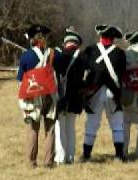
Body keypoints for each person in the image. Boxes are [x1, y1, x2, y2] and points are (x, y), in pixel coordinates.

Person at [79, 24, 127, 161]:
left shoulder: (90, 50)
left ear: (100, 36)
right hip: (114, 93)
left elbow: (83, 69)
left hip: (94, 93)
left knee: (91, 124)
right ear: (113, 38)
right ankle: (119, 155)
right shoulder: (120, 53)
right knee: (117, 125)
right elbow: (123, 74)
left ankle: (86, 155)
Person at [17, 24, 60, 168]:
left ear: (32, 39)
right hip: (50, 95)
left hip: (33, 96)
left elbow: (20, 80)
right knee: (50, 129)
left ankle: (31, 162)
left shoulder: (26, 56)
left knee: (33, 129)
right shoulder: (54, 53)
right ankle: (49, 162)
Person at [53, 27, 84, 164]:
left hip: (60, 96)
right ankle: (70, 157)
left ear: (65, 42)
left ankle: (60, 158)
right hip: (74, 98)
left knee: (60, 128)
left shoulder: (57, 55)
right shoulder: (81, 58)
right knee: (71, 129)